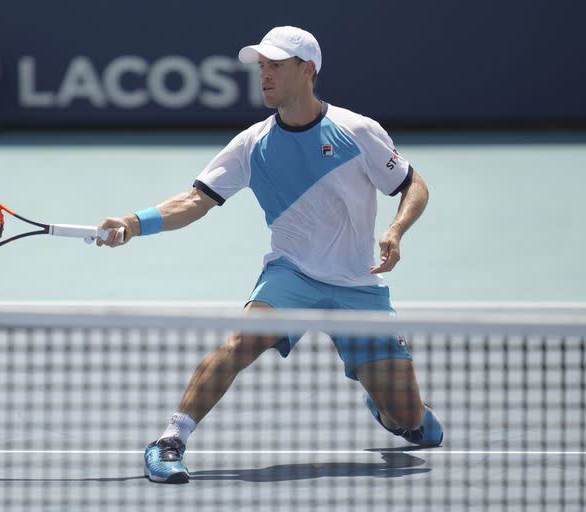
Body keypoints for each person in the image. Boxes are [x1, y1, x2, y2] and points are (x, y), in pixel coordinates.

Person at [97, 25, 443, 484]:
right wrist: (133, 223)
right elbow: (195, 200)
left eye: (275, 65)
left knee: (413, 424)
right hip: (292, 274)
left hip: (358, 284)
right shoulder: (251, 144)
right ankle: (168, 441)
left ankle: (395, 411)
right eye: (262, 66)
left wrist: (396, 230)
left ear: (308, 70)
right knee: (242, 342)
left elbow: (412, 184)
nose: (264, 75)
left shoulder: (357, 131)